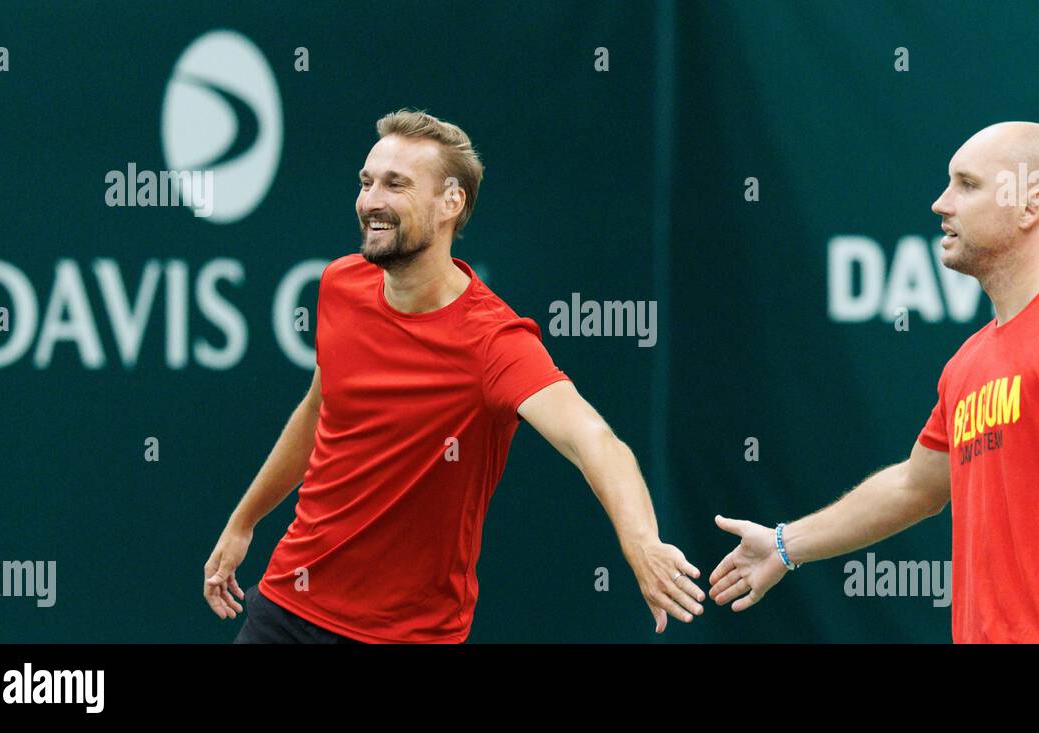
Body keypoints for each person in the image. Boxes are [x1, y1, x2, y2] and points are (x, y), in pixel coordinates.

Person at [203, 108, 704, 643]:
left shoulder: (495, 342)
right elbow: (319, 412)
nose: (371, 201)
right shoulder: (339, 284)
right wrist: (244, 520)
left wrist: (641, 541)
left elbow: (594, 441)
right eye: (367, 183)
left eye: (396, 184)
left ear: (451, 202)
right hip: (285, 609)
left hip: (407, 635)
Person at [710, 122, 1039, 643]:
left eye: (967, 185)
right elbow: (915, 485)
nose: (940, 203)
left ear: (1029, 206)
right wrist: (785, 544)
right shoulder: (968, 362)